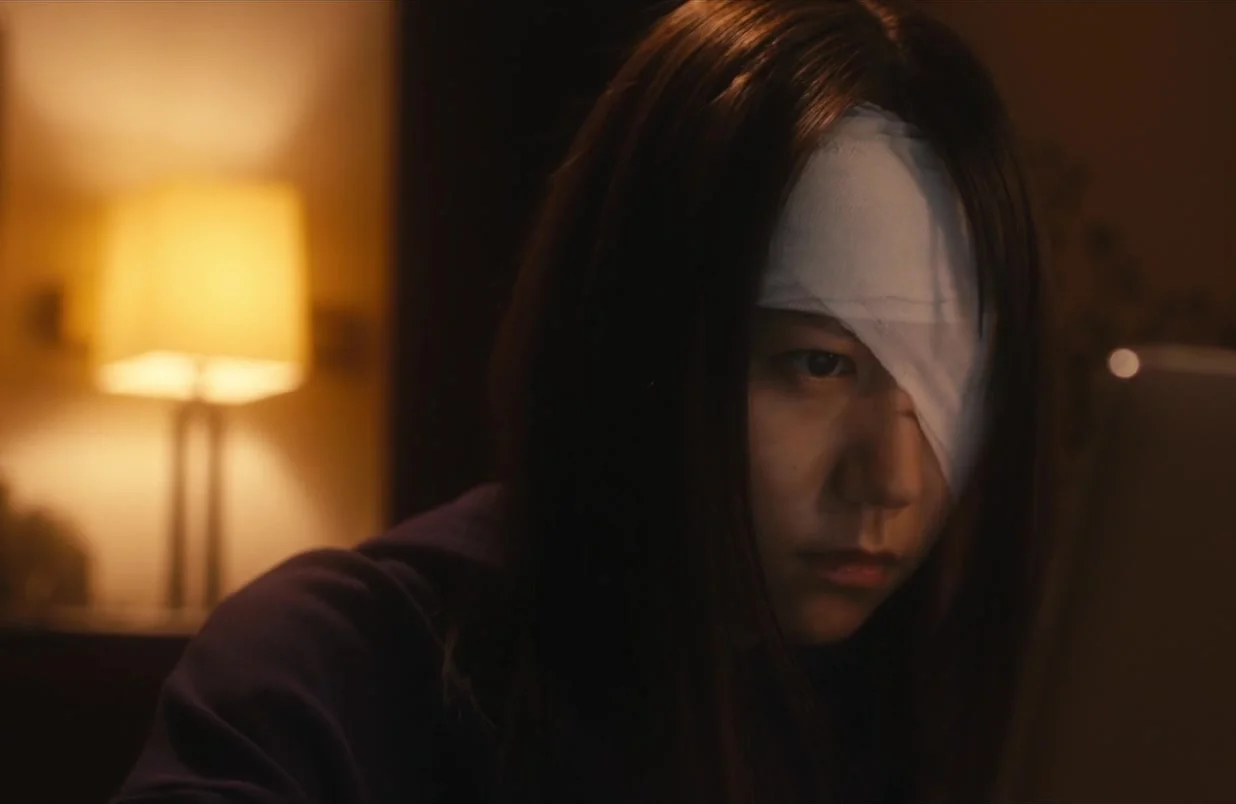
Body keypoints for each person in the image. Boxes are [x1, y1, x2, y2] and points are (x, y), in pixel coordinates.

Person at [114, 1, 1048, 801]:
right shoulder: (340, 671)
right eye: (818, 365)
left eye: (949, 382)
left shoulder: (976, 704)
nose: (893, 478)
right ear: (641, 336)